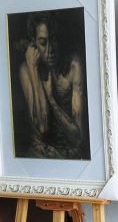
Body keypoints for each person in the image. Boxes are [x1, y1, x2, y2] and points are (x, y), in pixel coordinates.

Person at [18, 11, 87, 159]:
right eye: (43, 43)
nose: (50, 50)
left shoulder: (74, 65)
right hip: (40, 156)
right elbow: (43, 128)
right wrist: (33, 69)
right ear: (34, 43)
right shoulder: (26, 69)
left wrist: (51, 99)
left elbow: (78, 138)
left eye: (54, 40)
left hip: (70, 156)